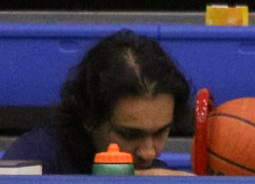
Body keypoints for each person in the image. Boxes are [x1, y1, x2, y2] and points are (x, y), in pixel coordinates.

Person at [1, 28, 190, 175]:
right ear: (90, 118)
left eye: (160, 132)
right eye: (129, 134)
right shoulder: (34, 158)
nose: (148, 153)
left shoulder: (159, 175)